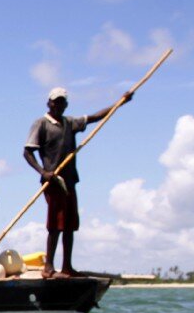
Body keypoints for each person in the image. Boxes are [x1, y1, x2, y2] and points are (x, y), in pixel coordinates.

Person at [24, 86, 132, 278]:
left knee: (69, 225)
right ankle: (48, 267)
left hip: (70, 180)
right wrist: (44, 172)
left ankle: (67, 266)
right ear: (49, 103)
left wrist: (120, 103)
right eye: (55, 101)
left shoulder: (69, 123)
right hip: (54, 181)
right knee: (55, 225)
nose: (58, 105)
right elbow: (27, 152)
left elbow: (94, 117)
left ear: (65, 105)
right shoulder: (41, 124)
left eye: (62, 102)